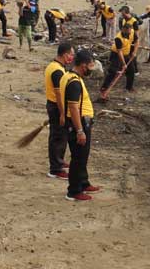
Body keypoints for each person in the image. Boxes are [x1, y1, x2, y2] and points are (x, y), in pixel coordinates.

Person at [59, 49, 101, 201]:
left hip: (79, 122)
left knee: (83, 156)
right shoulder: (74, 83)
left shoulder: (68, 76)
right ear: (83, 65)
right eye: (90, 66)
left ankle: (83, 182)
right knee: (78, 157)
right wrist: (80, 130)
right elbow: (73, 107)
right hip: (79, 123)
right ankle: (74, 191)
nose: (90, 70)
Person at [44, 42, 75, 180]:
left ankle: (59, 161)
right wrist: (63, 113)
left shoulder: (53, 66)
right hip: (56, 106)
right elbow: (58, 94)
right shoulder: (57, 71)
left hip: (54, 105)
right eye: (71, 54)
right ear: (65, 54)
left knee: (59, 136)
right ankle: (55, 169)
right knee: (58, 137)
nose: (72, 57)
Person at [100, 23, 138, 98]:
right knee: (113, 71)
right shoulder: (118, 38)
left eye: (130, 31)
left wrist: (134, 52)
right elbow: (119, 52)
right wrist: (124, 64)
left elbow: (137, 41)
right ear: (123, 29)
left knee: (131, 70)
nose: (129, 33)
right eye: (128, 31)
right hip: (116, 54)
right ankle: (104, 87)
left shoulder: (132, 32)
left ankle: (129, 87)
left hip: (126, 53)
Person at [118, 6, 141, 75]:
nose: (122, 15)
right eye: (122, 14)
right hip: (126, 41)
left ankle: (136, 71)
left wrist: (135, 43)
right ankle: (125, 69)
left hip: (132, 42)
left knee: (132, 56)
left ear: (127, 13)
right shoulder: (124, 20)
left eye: (123, 14)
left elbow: (136, 34)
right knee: (125, 55)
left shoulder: (134, 21)